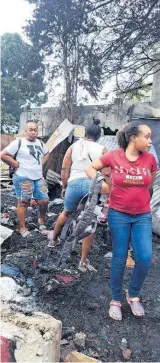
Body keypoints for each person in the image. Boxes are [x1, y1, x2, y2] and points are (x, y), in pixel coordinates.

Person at [85, 122, 157, 320]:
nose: (150, 141)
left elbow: (149, 184)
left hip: (142, 215)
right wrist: (102, 186)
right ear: (134, 138)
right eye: (147, 136)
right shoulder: (113, 156)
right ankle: (115, 299)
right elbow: (91, 168)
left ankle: (132, 294)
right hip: (118, 214)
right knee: (119, 256)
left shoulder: (150, 159)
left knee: (143, 257)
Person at [48, 119, 107, 272]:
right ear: (98, 135)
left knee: (66, 212)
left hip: (73, 183)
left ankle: (53, 240)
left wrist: (65, 186)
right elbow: (106, 173)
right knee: (89, 220)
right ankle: (83, 260)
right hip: (91, 184)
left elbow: (64, 168)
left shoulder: (73, 147)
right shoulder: (102, 149)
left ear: (86, 133)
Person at [0, 121, 49, 240]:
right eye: (30, 130)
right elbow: (3, 154)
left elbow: (47, 153)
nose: (33, 132)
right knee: (24, 202)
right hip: (23, 176)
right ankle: (22, 227)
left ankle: (41, 220)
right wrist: (16, 164)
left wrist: (40, 165)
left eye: (35, 130)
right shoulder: (19, 142)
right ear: (26, 131)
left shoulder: (41, 143)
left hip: (38, 177)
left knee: (44, 200)